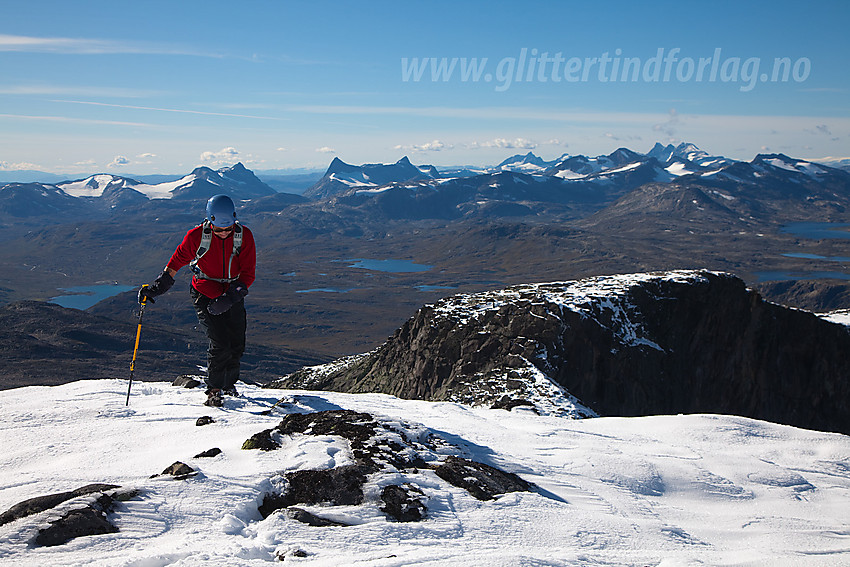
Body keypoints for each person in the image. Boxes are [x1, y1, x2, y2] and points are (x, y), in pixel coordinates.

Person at [139, 194, 256, 407]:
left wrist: (230, 298)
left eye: (227, 228)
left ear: (234, 220)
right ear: (209, 221)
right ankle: (214, 389)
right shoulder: (196, 236)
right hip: (204, 291)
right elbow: (175, 263)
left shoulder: (244, 236)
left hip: (232, 292)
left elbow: (247, 274)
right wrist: (156, 289)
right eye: (218, 229)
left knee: (237, 343)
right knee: (220, 342)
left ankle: (229, 384)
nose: (223, 233)